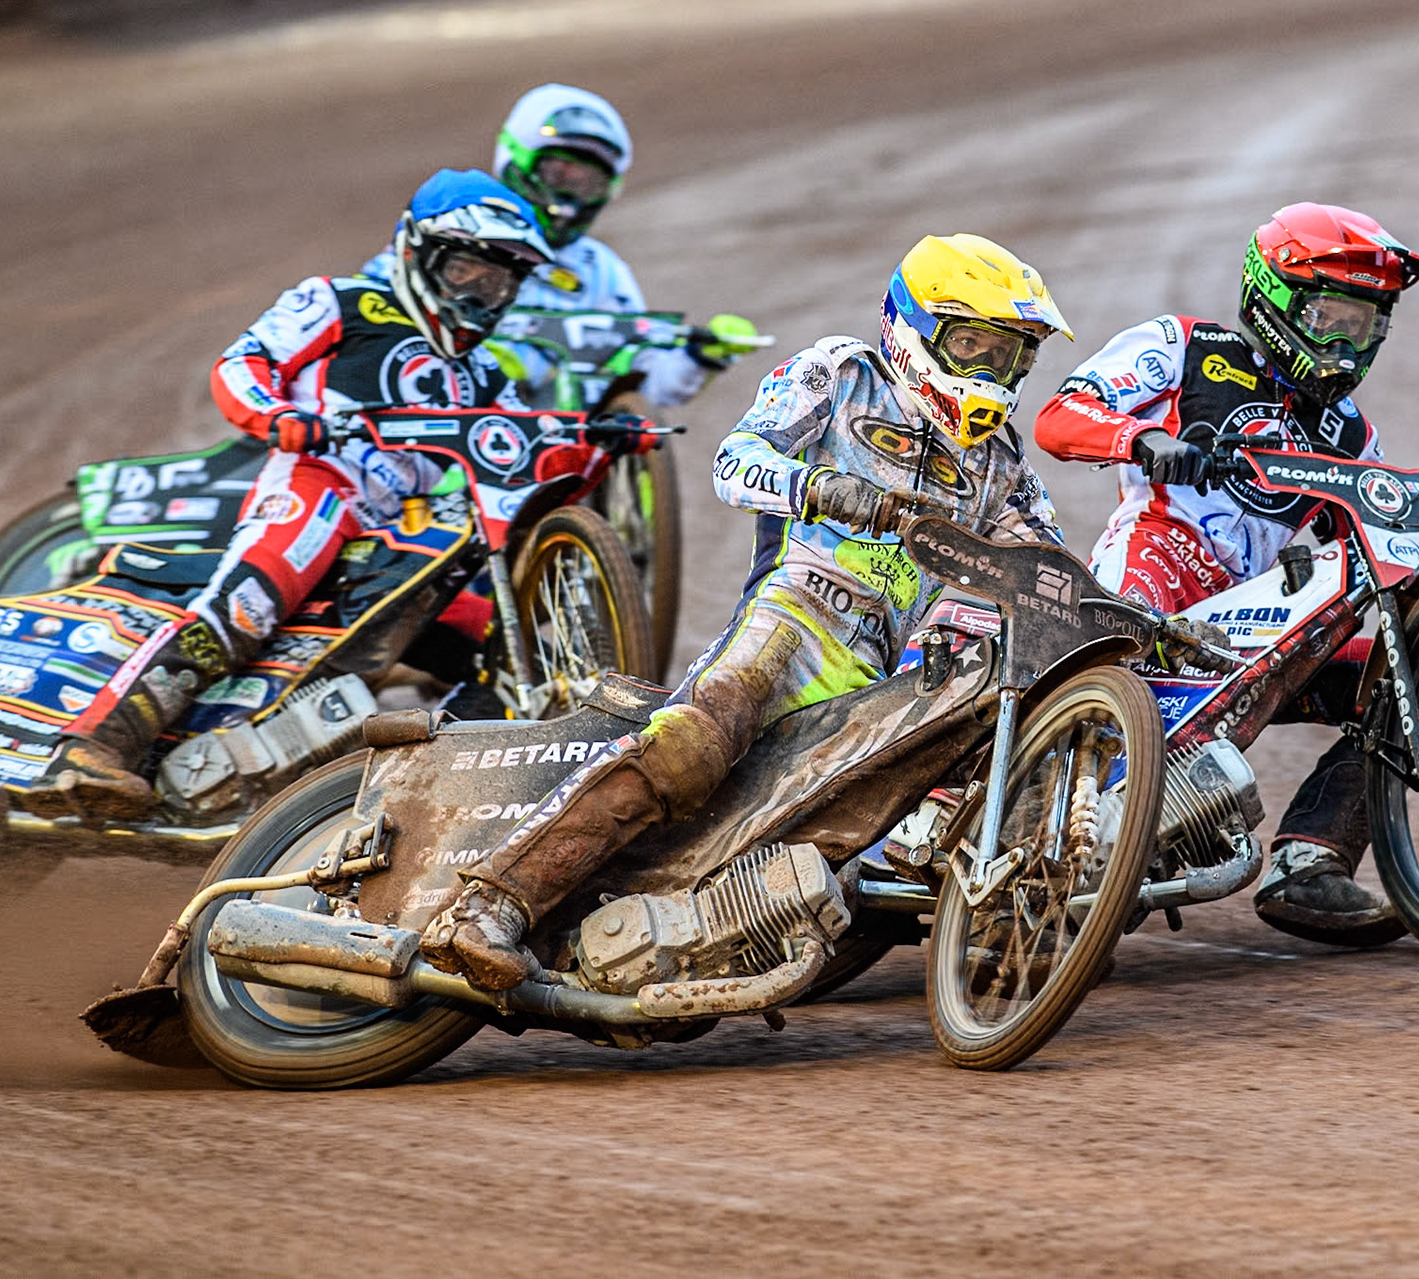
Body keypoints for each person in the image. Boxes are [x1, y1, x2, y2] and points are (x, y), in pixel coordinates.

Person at [420, 232, 1074, 991]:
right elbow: (734, 461)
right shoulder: (840, 372)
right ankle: (486, 905)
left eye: (1012, 358)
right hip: (794, 620)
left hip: (883, 678)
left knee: (914, 784)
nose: (994, 375)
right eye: (976, 347)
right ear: (916, 327)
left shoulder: (999, 464)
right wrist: (819, 489)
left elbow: (1049, 566)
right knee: (691, 748)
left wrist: (1131, 626)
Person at [19, 169, 554, 820]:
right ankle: (93, 746)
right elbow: (241, 364)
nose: (483, 293)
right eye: (469, 271)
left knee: (488, 632)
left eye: (501, 280)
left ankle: (440, 798)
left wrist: (610, 439)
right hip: (317, 484)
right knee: (247, 603)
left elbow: (532, 440)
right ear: (417, 250)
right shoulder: (342, 302)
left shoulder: (483, 371)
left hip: (395, 534)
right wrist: (277, 417)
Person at [1033, 201, 1419, 946]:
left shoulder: (1351, 435)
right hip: (1158, 565)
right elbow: (1058, 416)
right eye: (1334, 318)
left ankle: (1310, 862)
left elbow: (1383, 550)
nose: (1350, 344)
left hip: (1254, 626)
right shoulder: (1184, 345)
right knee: (1111, 679)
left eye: (1367, 324)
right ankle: (1044, 865)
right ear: (1275, 298)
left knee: (1415, 687)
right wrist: (1142, 439)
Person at [363, 84, 762, 408]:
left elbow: (651, 383)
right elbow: (369, 313)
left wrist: (697, 358)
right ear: (517, 160)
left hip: (570, 451)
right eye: (558, 174)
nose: (569, 198)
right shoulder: (451, 236)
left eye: (588, 184)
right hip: (452, 424)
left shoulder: (600, 270)